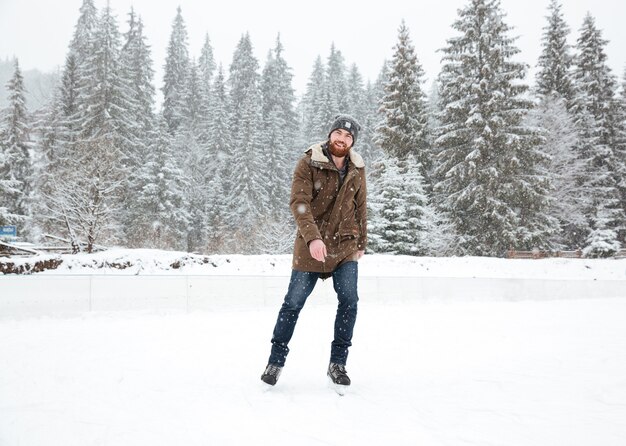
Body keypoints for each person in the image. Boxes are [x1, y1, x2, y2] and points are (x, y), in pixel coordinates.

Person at [261, 115, 367, 389]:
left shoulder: (357, 168)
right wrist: (312, 239)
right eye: (338, 133)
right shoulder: (308, 162)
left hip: (344, 246)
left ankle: (338, 363)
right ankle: (275, 362)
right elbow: (299, 203)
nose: (341, 139)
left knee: (349, 301)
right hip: (311, 246)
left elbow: (361, 207)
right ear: (330, 134)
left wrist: (361, 243)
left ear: (352, 141)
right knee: (293, 303)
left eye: (348, 136)